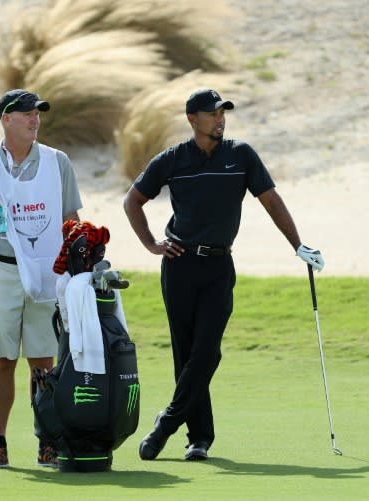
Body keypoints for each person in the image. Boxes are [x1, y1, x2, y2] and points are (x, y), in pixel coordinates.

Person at [123, 88, 325, 461]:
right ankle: (199, 438)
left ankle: (166, 423)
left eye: (223, 113)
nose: (221, 119)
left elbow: (270, 200)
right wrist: (152, 243)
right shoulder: (172, 159)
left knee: (207, 352)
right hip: (180, 264)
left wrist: (297, 245)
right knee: (187, 355)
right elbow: (132, 200)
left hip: (219, 266)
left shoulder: (241, 155)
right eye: (213, 113)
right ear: (192, 119)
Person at [0, 89, 83, 470]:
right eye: (26, 113)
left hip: (48, 268)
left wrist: (78, 271)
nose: (35, 119)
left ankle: (47, 441)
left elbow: (72, 218)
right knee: (2, 360)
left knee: (43, 362)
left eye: (37, 114)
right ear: (6, 119)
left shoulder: (57, 162)